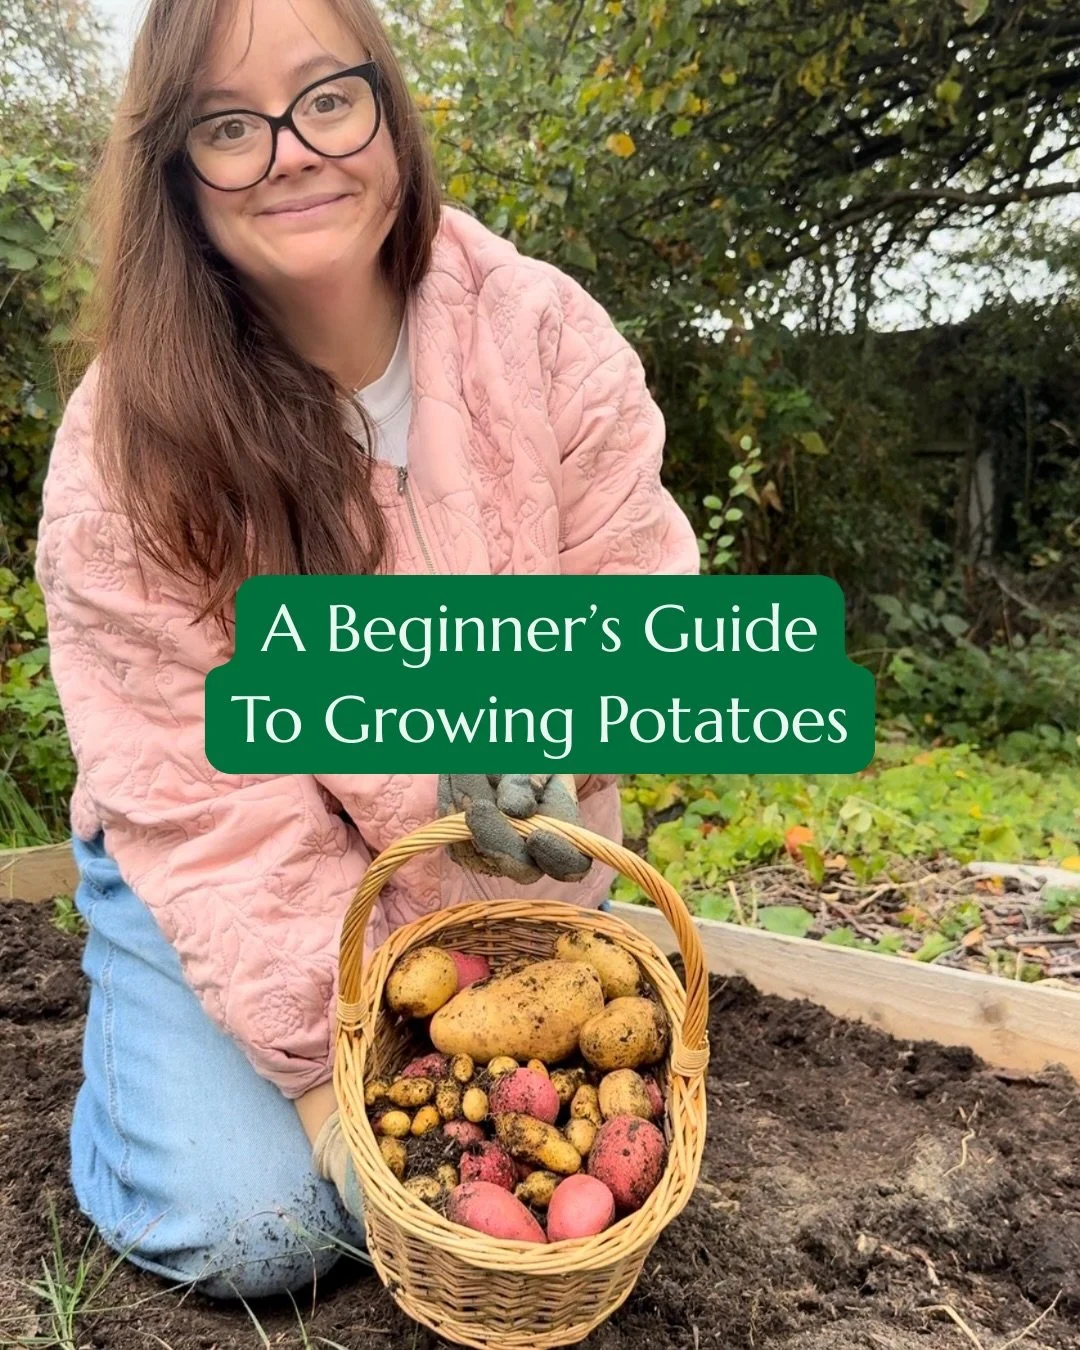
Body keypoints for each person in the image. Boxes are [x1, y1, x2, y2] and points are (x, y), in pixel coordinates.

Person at [34, 0, 700, 1303]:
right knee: (265, 1226)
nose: (291, 151)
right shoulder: (125, 445)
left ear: (387, 109)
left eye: (326, 99)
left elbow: (634, 614)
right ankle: (131, 1088)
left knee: (540, 1141)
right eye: (232, 126)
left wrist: (570, 744)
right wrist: (327, 1086)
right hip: (215, 850)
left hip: (472, 874)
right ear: (179, 170)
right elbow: (205, 801)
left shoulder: (548, 339)